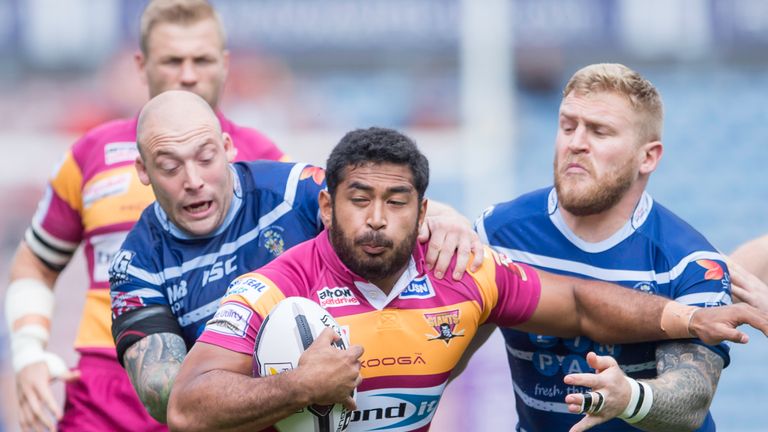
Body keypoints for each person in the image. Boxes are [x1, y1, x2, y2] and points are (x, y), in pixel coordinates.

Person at [166, 126, 767, 432]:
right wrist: (297, 386)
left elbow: (580, 304)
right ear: (325, 207)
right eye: (359, 199)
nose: (377, 219)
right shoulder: (273, 288)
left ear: (425, 212)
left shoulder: (462, 273)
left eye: (397, 201)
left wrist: (684, 318)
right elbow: (186, 409)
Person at [109, 91, 483, 423]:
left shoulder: (294, 190)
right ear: (143, 170)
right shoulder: (137, 263)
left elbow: (381, 206)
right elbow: (168, 400)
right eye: (170, 167)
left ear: (228, 148)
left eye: (206, 158)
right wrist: (297, 382)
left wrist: (448, 219)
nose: (193, 180)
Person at [3, 1, 286, 431]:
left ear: (225, 65)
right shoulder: (90, 154)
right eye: (173, 60)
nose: (188, 74)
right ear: (142, 65)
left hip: (223, 393)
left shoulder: (266, 161)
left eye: (202, 60)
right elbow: (35, 263)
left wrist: (428, 215)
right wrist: (28, 354)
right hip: (104, 402)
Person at [470, 63, 736, 431]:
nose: (576, 143)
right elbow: (440, 352)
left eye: (600, 131)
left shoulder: (689, 264)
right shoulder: (498, 234)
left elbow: (691, 398)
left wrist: (630, 397)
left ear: (648, 157)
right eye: (567, 126)